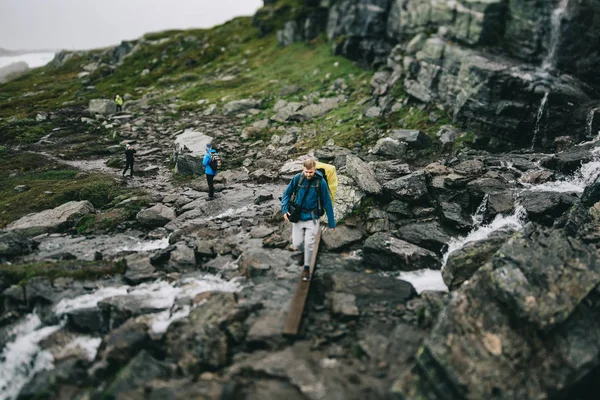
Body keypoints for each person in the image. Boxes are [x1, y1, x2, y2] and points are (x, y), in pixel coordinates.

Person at [281, 159, 335, 281]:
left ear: (314, 170)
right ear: (303, 169)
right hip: (298, 217)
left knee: (310, 244)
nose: (308, 175)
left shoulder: (321, 182)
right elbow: (286, 194)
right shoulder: (297, 179)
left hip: (312, 217)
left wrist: (331, 222)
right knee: (298, 243)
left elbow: (327, 202)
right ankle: (304, 253)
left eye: (311, 172)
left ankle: (306, 268)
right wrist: (284, 209)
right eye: (306, 172)